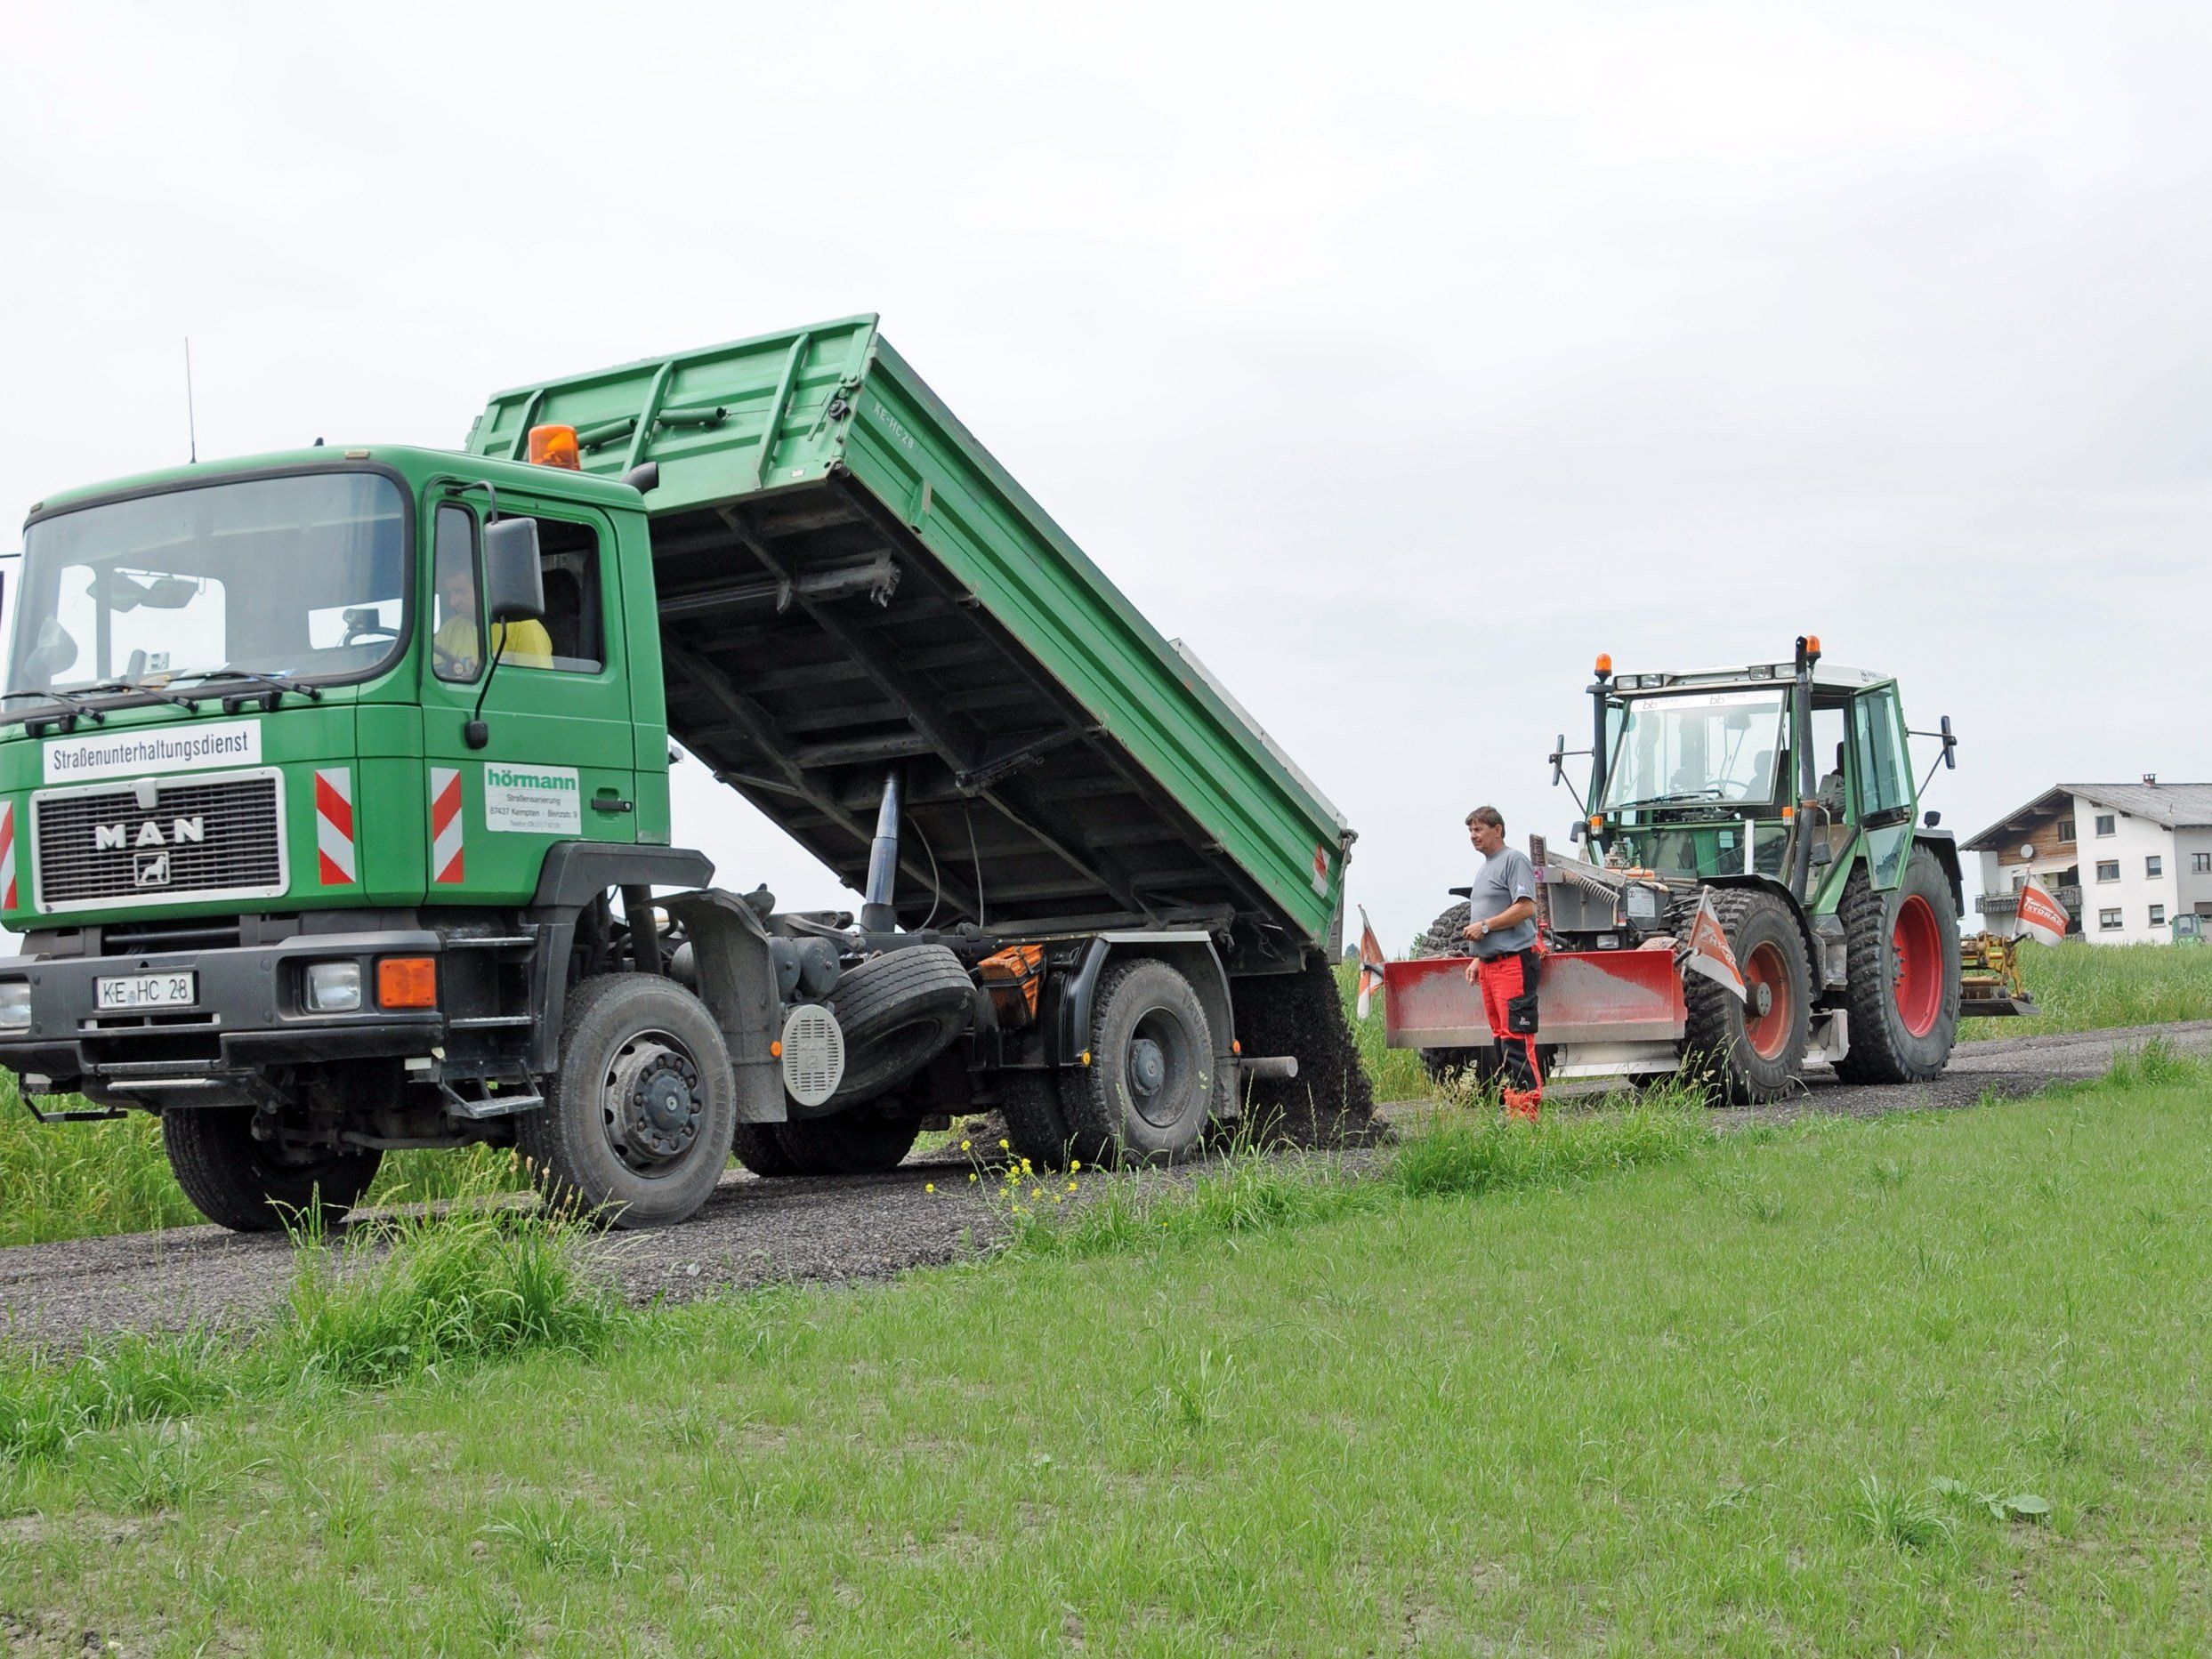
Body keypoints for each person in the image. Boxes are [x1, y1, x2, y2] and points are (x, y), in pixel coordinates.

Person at [1459, 805, 1544, 1119]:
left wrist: (1485, 927)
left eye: (1479, 829)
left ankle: (1527, 1117)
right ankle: (1513, 1111)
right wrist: (1478, 959)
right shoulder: (1485, 868)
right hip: (1491, 966)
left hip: (1514, 964)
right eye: (1470, 831)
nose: (1473, 836)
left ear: (1498, 829)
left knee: (1518, 1040)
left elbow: (1525, 909)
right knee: (1501, 1041)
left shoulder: (1513, 860)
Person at [432, 561, 553, 677]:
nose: (453, 602)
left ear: (486, 588)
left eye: (460, 592)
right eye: (450, 593)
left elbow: (536, 688)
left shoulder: (525, 628)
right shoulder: (450, 629)